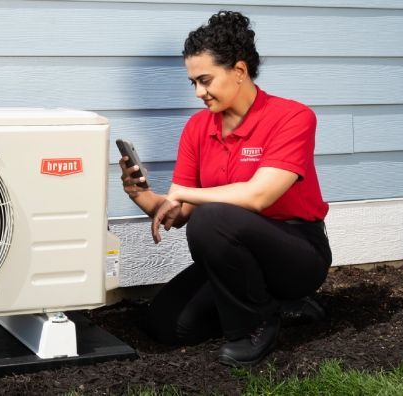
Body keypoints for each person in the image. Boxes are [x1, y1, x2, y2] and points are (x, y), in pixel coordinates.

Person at [119, 10, 333, 367]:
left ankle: (254, 322)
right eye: (194, 83)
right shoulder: (197, 128)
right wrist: (140, 193)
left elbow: (257, 196)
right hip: (234, 254)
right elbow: (180, 212)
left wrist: (187, 195)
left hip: (297, 252)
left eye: (205, 80)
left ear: (238, 71)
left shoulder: (292, 117)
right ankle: (274, 303)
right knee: (168, 326)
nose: (199, 92)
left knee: (213, 217)